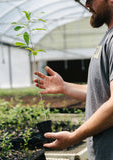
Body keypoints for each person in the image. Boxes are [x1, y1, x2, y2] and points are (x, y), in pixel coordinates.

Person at [34, 0, 113, 159]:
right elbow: (100, 91)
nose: (87, 4)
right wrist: (64, 87)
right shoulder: (108, 38)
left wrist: (74, 136)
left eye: (91, 0)